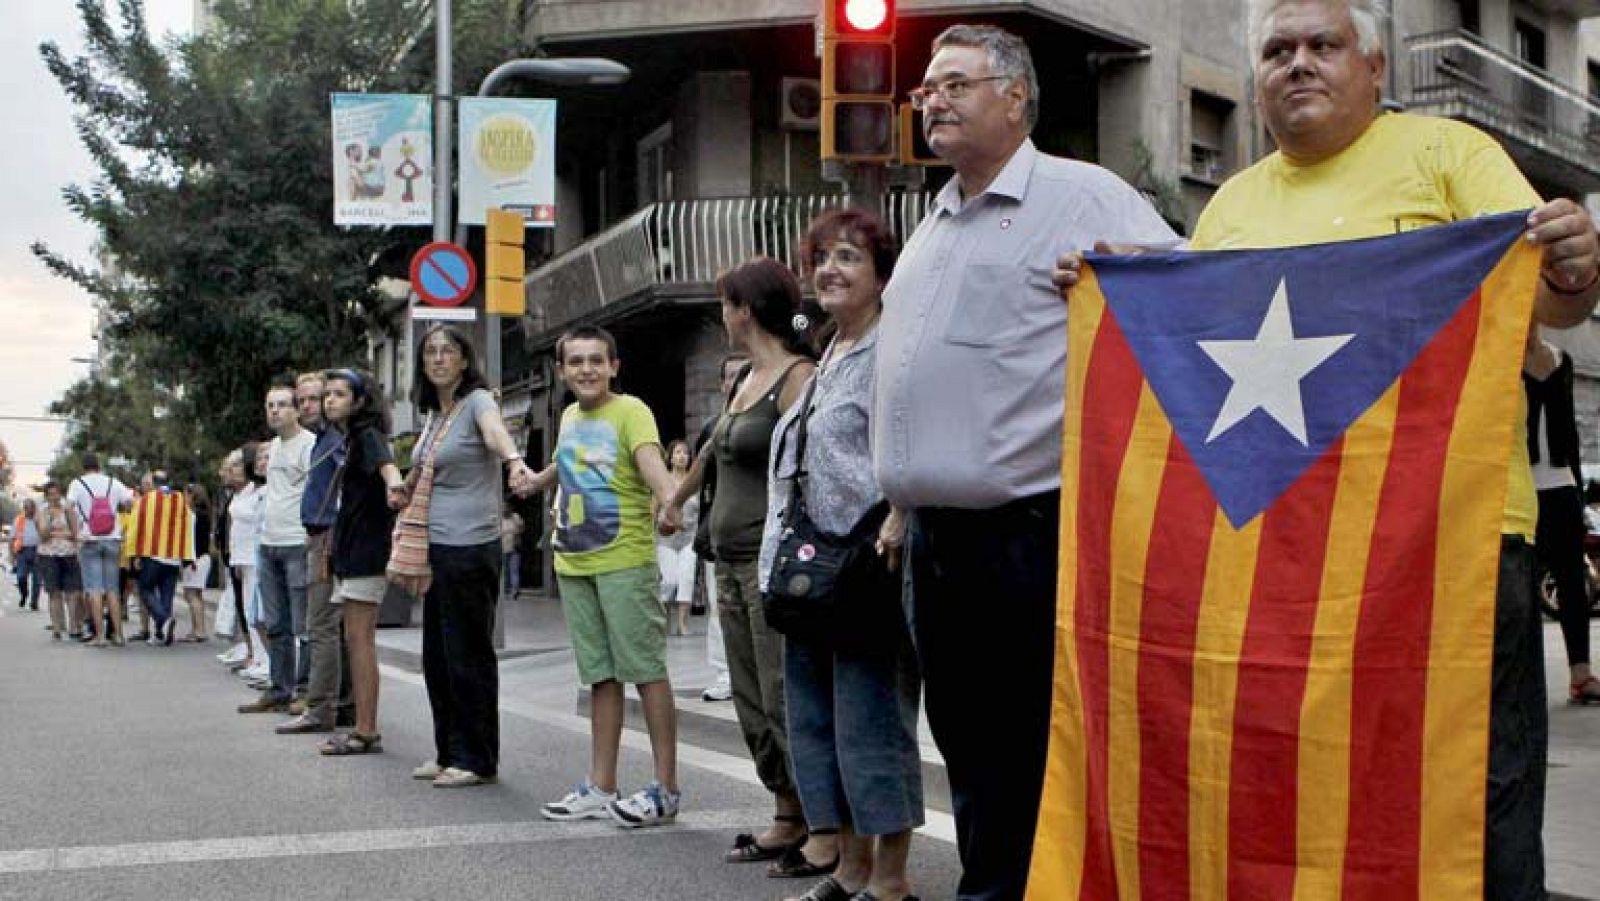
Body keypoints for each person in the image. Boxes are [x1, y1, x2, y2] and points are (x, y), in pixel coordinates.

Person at [1056, 2, 1599, 895]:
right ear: (1258, 78)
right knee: (1309, 798)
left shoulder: (1449, 156)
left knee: (1478, 800)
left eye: (1323, 46)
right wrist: (1123, 294)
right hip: (1284, 558)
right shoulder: (1230, 206)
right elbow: (1195, 370)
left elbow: (1551, 300)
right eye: (1277, 50)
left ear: (1374, 69)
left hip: (1452, 543)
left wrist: (1578, 264)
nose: (1298, 63)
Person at [874, 23, 1177, 899]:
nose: (933, 100)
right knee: (967, 743)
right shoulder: (932, 218)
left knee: (1025, 749)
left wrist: (1127, 286)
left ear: (1015, 97)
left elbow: (1194, 298)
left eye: (956, 84)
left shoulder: (1083, 197)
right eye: (927, 87)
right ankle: (994, 883)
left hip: (1028, 533)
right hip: (933, 541)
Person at [762, 208, 925, 901]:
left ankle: (889, 878)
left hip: (869, 561)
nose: (831, 269)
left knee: (872, 717)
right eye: (823, 256)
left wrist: (900, 512)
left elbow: (919, 433)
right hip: (813, 566)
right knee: (821, 717)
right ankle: (848, 866)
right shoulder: (828, 352)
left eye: (850, 257)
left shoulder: (893, 347)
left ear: (881, 274)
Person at [661, 258, 825, 872]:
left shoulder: (797, 377)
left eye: (726, 303)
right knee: (750, 698)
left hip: (771, 564)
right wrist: (675, 500)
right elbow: (712, 451)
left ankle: (818, 822)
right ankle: (785, 813)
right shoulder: (745, 380)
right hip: (724, 561)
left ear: (747, 310)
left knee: (783, 692)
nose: (722, 315)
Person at [529, 325, 684, 827]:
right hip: (574, 561)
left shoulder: (631, 411)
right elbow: (563, 463)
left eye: (597, 360)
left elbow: (649, 462)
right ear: (561, 371)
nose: (587, 369)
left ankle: (666, 788)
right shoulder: (571, 415)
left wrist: (668, 499)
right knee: (599, 677)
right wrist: (536, 481)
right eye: (576, 362)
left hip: (624, 560)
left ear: (614, 366)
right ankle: (602, 785)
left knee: (646, 671)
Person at [393, 324, 535, 788]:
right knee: (437, 655)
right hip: (435, 548)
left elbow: (495, 435)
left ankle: (477, 758)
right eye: (430, 351)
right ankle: (447, 750)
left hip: (470, 546)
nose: (437, 358)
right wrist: (405, 489)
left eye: (447, 351)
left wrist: (515, 461)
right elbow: (424, 468)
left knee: (468, 654)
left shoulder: (478, 402)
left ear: (463, 359)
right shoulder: (436, 414)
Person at [316, 368, 403, 757]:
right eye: (327, 394)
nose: (329, 400)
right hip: (353, 551)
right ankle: (363, 725)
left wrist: (394, 482)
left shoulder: (366, 435)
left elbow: (386, 465)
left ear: (360, 399)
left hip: (367, 552)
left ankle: (366, 729)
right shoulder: (351, 438)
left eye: (338, 394)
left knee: (360, 640)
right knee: (355, 639)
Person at [278, 371, 357, 735]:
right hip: (323, 535)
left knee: (321, 624)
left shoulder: (337, 438)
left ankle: (320, 707)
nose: (310, 405)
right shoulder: (325, 439)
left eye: (316, 397)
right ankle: (342, 703)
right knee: (333, 627)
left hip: (327, 536)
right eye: (304, 400)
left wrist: (333, 530)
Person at [1525, 337, 1600, 704]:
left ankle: (1581, 673)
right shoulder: (1498, 357)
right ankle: (1520, 681)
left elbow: (1568, 428)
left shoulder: (1562, 358)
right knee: (1518, 587)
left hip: (1561, 486)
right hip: (1520, 486)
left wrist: (1579, 495)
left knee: (1572, 582)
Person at [239, 385, 314, 714]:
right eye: (270, 405)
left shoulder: (309, 445)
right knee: (275, 623)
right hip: (269, 544)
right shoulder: (272, 448)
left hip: (297, 541)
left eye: (283, 405)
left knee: (302, 624)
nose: (275, 411)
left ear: (297, 410)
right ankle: (279, 688)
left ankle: (304, 689)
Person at [67, 452, 133, 646]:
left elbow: (69, 507)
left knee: (94, 589)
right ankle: (119, 634)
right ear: (99, 466)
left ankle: (100, 635)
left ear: (83, 467)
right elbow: (129, 503)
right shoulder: (113, 482)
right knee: (112, 589)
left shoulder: (78, 483)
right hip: (112, 539)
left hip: (90, 539)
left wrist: (75, 532)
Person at [124, 470, 194, 646]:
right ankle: (160, 634)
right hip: (174, 556)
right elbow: (187, 526)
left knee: (145, 590)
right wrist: (187, 555)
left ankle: (164, 619)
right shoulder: (180, 500)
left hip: (152, 554)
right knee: (166, 595)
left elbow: (135, 527)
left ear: (153, 483)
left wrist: (134, 553)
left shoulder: (145, 500)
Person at [230, 444, 270, 683]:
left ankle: (266, 660)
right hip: (245, 556)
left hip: (257, 557)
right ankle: (259, 657)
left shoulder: (259, 493)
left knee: (261, 612)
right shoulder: (253, 492)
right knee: (251, 611)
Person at [657, 440, 696, 636]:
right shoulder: (662, 481)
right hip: (665, 539)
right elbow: (653, 509)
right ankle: (664, 620)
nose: (682, 456)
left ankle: (682, 623)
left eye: (685, 453)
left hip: (690, 537)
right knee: (669, 581)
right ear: (671, 457)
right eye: (678, 452)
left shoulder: (694, 481)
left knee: (686, 578)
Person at [35, 482, 82, 640]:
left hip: (68, 553)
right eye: (50, 494)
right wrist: (52, 519)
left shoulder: (68, 509)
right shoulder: (42, 511)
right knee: (54, 592)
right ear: (46, 496)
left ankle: (74, 626)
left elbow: (75, 533)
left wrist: (62, 532)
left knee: (73, 592)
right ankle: (57, 626)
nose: (54, 497)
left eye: (56, 493)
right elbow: (43, 535)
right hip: (48, 555)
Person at [179, 484, 213, 642]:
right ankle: (198, 628)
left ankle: (199, 630)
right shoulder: (205, 514)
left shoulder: (192, 515)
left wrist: (190, 559)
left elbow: (191, 539)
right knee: (196, 595)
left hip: (195, 559)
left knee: (191, 594)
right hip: (203, 557)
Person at [13, 499, 40, 611]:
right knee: (21, 576)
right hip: (22, 551)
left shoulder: (39, 519)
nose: (27, 510)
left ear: (33, 508)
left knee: (37, 580)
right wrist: (12, 554)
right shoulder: (19, 520)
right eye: (25, 508)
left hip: (37, 551)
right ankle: (24, 593)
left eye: (29, 507)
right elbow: (12, 537)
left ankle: (34, 602)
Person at [500, 508, 525, 599]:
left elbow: (522, 528)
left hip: (514, 547)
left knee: (513, 570)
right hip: (504, 548)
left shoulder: (515, 517)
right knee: (507, 570)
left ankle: (514, 590)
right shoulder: (499, 519)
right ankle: (507, 590)